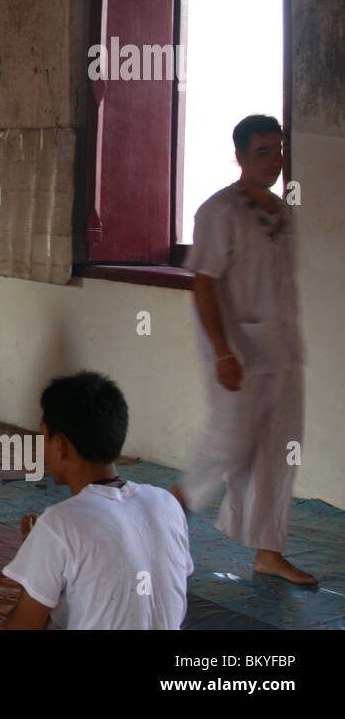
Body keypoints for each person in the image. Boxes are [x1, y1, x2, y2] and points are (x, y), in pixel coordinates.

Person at [171, 115, 314, 585]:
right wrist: (223, 352)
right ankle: (157, 522)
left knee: (279, 451)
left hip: (283, 353)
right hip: (238, 354)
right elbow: (204, 285)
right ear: (239, 156)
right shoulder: (219, 212)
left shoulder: (282, 210)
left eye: (278, 150)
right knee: (225, 448)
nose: (274, 160)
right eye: (262, 152)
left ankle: (269, 552)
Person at [3, 372, 192, 629]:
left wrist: (40, 551)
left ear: (60, 445)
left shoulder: (58, 524)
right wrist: (42, 553)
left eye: (43, 437)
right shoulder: (167, 503)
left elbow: (21, 627)